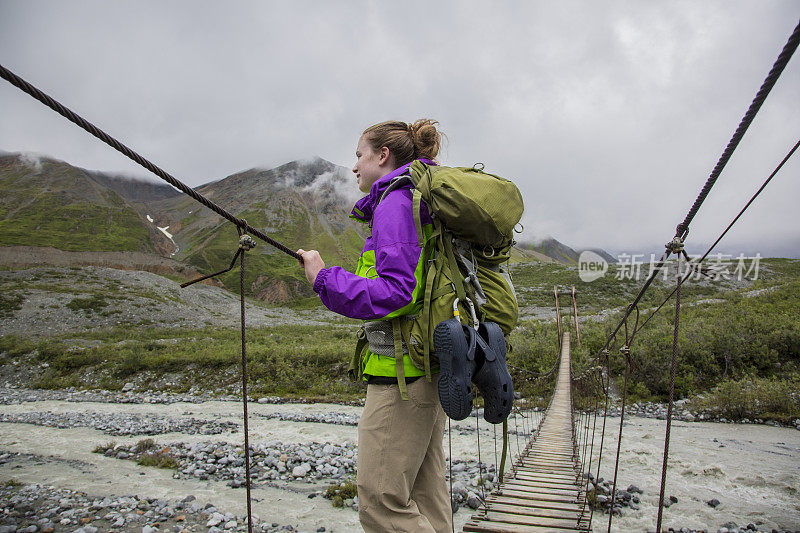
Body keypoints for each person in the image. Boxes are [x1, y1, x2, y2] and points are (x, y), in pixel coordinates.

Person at [297, 119, 451, 532]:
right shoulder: (416, 200)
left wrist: (324, 279)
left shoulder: (395, 204)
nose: (353, 167)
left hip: (401, 376)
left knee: (382, 502)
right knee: (425, 496)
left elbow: (397, 291)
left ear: (383, 156)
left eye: (359, 155)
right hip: (427, 368)